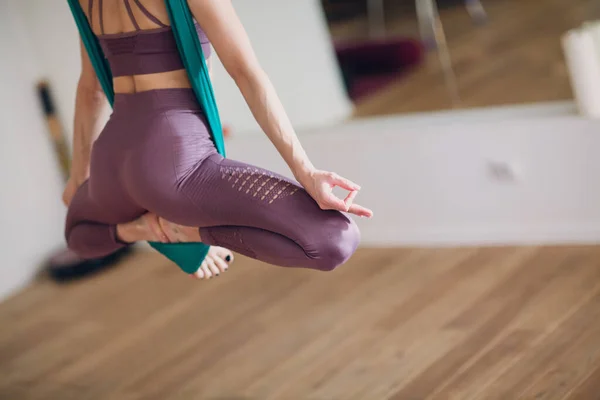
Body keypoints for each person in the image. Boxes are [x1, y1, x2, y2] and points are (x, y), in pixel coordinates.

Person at [63, 0, 373, 280]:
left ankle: (139, 230)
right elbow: (245, 72)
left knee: (78, 231)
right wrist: (306, 171)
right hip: (172, 160)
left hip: (110, 161)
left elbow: (90, 91)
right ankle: (186, 232)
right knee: (335, 239)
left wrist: (79, 178)